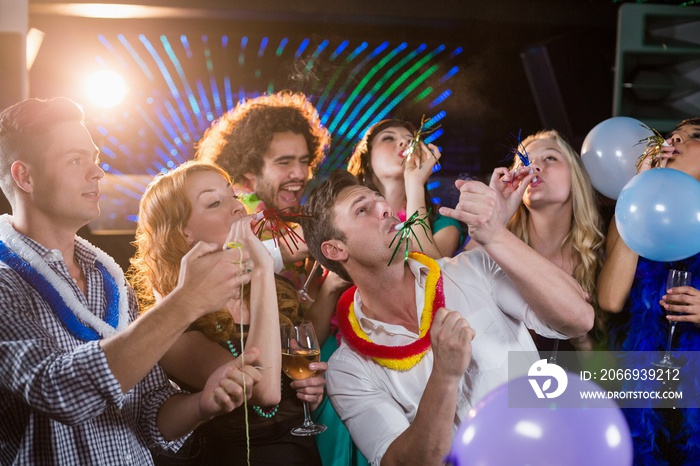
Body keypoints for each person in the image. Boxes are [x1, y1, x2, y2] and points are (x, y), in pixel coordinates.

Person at [0, 97, 260, 465]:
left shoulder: (111, 281)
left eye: (95, 160)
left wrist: (202, 405)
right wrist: (185, 302)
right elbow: (58, 391)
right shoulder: (5, 283)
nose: (97, 173)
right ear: (25, 176)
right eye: (76, 160)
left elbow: (148, 413)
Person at [300, 170, 593, 465]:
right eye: (362, 210)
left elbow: (579, 318)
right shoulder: (348, 369)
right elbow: (402, 463)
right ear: (336, 249)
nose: (385, 207)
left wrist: (495, 234)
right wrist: (445, 376)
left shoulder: (472, 269)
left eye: (379, 200)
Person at [130, 160, 326, 465]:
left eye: (233, 196)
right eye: (214, 203)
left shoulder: (277, 290)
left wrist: (312, 393)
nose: (237, 208)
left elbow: (291, 386)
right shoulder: (174, 327)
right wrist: (260, 267)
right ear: (184, 233)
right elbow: (266, 393)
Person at [598, 117, 700, 465]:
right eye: (674, 135)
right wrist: (640, 188)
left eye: (694, 136)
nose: (676, 140)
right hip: (646, 405)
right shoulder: (632, 208)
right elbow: (611, 299)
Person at [465, 129, 606, 353]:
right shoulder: (495, 245)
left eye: (550, 157)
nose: (534, 167)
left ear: (575, 176)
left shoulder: (601, 257)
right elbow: (455, 287)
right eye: (525, 162)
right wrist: (496, 219)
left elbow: (609, 375)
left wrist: (581, 341)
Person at [347, 119, 462, 259]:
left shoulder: (442, 224)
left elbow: (428, 271)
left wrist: (415, 184)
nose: (404, 143)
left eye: (411, 141)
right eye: (388, 138)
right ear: (367, 156)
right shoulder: (347, 220)